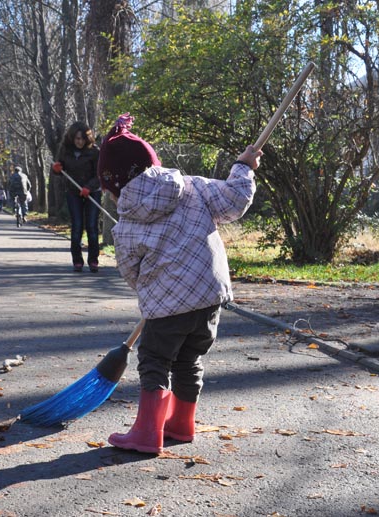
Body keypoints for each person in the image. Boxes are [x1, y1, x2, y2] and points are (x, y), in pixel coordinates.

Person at [97, 113, 260, 454]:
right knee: (190, 358)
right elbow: (234, 200)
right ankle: (182, 424)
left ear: (114, 188)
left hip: (168, 306)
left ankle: (146, 434)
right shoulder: (194, 186)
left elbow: (130, 271)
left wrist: (151, 290)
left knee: (155, 359)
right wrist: (243, 167)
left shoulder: (126, 223)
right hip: (209, 296)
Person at [51, 122, 102, 273]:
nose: (79, 142)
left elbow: (99, 175)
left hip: (92, 191)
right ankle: (77, 261)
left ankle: (93, 260)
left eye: (82, 139)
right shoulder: (65, 151)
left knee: (92, 227)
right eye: (77, 139)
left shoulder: (95, 152)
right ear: (72, 138)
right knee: (77, 226)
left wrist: (89, 187)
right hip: (73, 192)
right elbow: (60, 169)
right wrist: (57, 169)